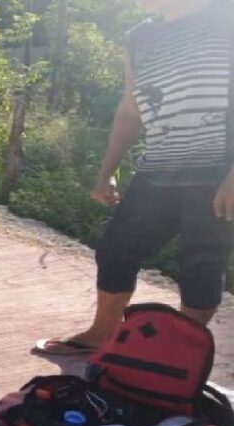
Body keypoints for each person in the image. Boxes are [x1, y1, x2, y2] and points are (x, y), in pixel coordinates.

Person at [35, 0, 234, 355]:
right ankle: (102, 334)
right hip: (157, 169)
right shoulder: (140, 37)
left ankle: (178, 353)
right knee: (116, 249)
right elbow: (130, 110)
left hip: (217, 171)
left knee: (201, 263)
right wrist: (106, 173)